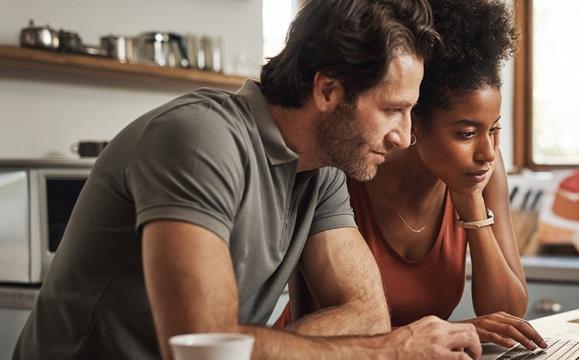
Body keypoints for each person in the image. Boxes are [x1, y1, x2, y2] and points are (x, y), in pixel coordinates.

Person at [13, 1, 483, 359]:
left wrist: (250, 347)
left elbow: (366, 314)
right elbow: (203, 346)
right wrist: (386, 351)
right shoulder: (201, 138)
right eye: (392, 109)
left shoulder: (322, 171)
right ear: (327, 90)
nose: (403, 136)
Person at [277, 0, 547, 351]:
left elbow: (508, 315)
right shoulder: (348, 168)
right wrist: (456, 330)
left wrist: (471, 205)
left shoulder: (483, 174)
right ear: (413, 120)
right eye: (466, 133)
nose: (488, 152)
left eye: (493, 129)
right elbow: (322, 322)